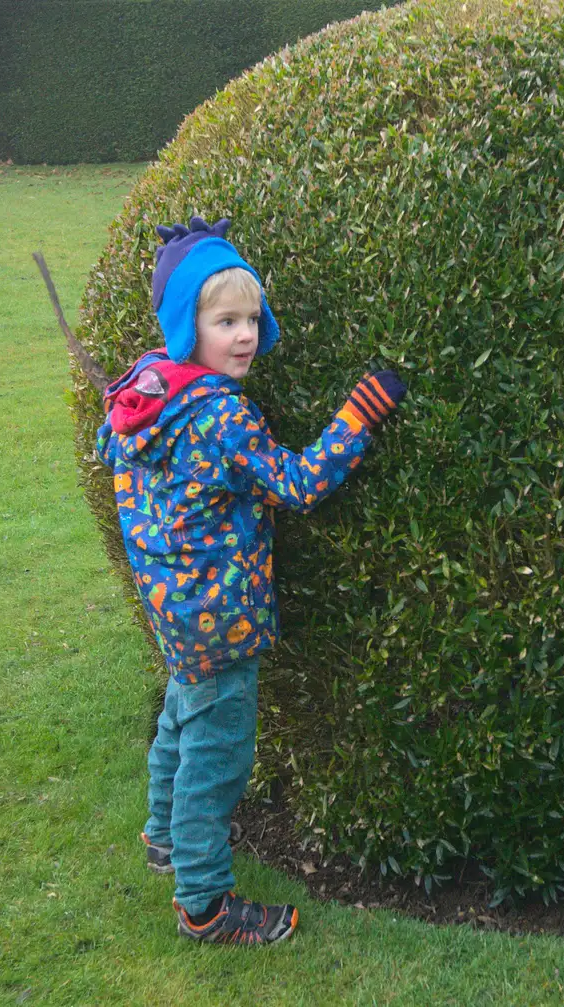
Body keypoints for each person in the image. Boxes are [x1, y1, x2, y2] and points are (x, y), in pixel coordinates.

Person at [94, 216, 405, 945]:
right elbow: (295, 484)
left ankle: (163, 838)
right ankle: (204, 902)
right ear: (186, 325)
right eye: (223, 319)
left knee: (179, 719)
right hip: (221, 618)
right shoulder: (221, 416)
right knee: (219, 754)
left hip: (175, 609)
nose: (243, 335)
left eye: (250, 319)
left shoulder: (148, 392)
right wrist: (357, 416)